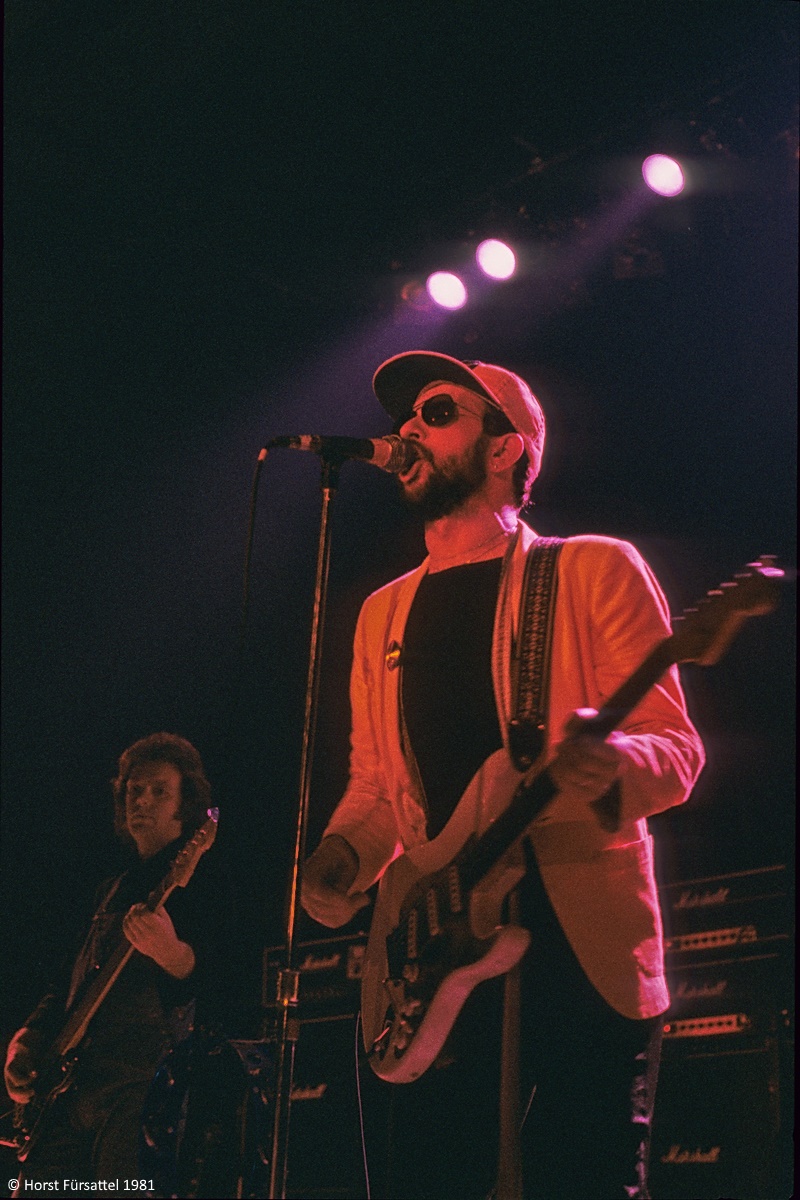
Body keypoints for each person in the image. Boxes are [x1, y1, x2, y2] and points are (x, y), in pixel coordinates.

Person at [301, 352, 705, 1199]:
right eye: (406, 415)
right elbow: (377, 787)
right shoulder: (383, 612)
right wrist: (341, 858)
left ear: (503, 448)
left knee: (580, 1173)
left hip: (575, 938)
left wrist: (609, 763)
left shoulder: (594, 567)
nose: (407, 427)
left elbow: (674, 749)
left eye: (437, 411)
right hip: (437, 949)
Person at [4, 733, 234, 1196]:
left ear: (183, 807)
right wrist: (27, 1039)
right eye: (134, 789)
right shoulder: (109, 890)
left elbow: (218, 982)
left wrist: (172, 953)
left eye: (159, 791)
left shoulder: (202, 886)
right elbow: (66, 984)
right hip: (69, 1093)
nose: (142, 800)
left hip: (138, 1095)